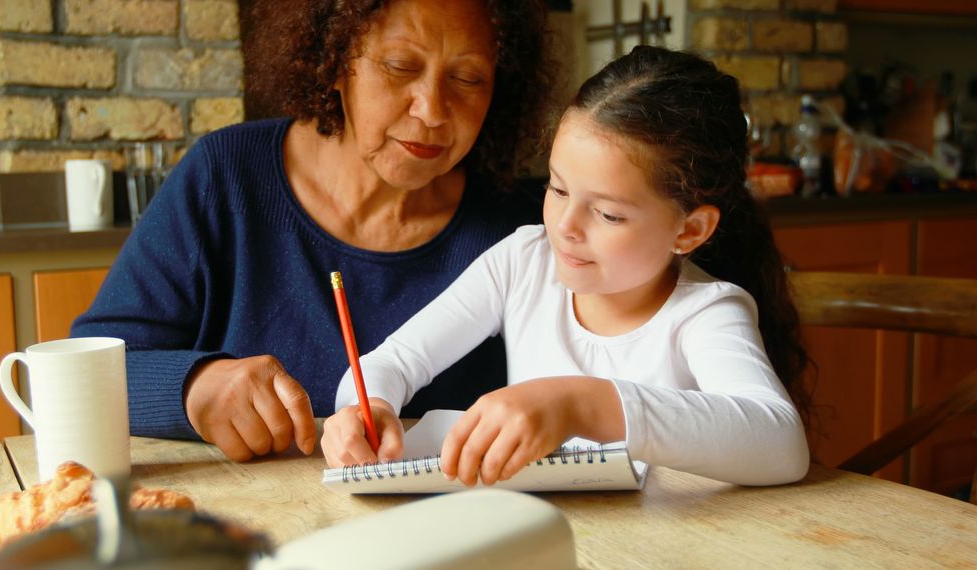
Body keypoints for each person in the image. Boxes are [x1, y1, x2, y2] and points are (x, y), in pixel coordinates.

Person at [70, 0, 552, 462]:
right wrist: (196, 386)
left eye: (468, 78)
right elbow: (85, 372)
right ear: (336, 57)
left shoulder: (526, 229)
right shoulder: (226, 177)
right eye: (401, 66)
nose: (431, 110)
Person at [322, 46, 812, 487]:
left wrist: (579, 405)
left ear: (689, 231)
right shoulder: (523, 262)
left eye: (609, 213)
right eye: (557, 189)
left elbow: (780, 445)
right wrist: (367, 411)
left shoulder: (705, 312)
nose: (565, 226)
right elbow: (392, 363)